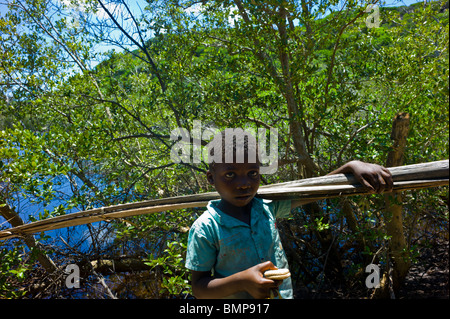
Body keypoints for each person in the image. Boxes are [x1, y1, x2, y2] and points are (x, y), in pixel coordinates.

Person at [185, 129, 393, 299]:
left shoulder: (265, 207)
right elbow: (200, 288)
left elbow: (313, 192)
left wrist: (351, 166)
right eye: (230, 174)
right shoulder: (206, 227)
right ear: (211, 178)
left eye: (252, 173)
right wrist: (242, 281)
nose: (244, 184)